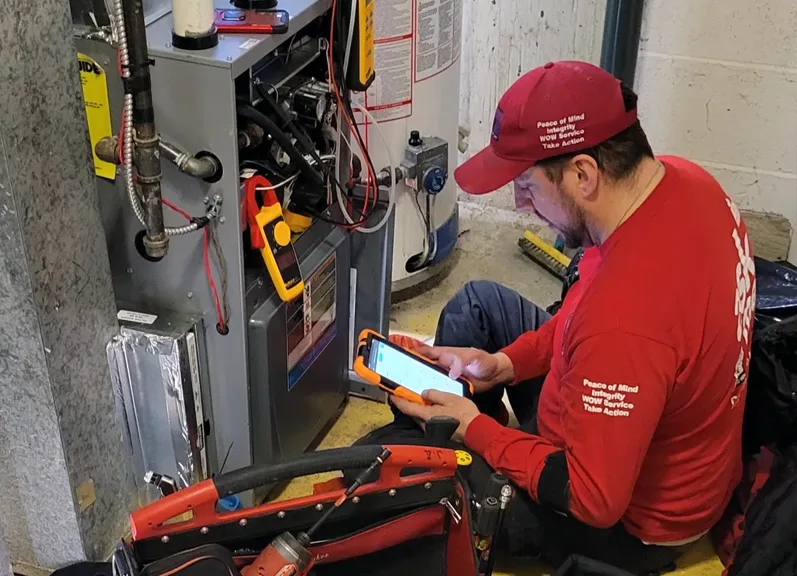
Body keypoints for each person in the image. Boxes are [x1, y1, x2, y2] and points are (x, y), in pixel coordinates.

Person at [350, 61, 757, 574]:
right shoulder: (685, 184)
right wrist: (502, 364)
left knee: (379, 478)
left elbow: (594, 498)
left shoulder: (627, 319)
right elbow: (582, 313)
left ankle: (466, 448)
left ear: (583, 174)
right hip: (637, 430)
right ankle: (472, 432)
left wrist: (475, 430)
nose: (521, 204)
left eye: (527, 183)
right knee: (476, 304)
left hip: (625, 519)